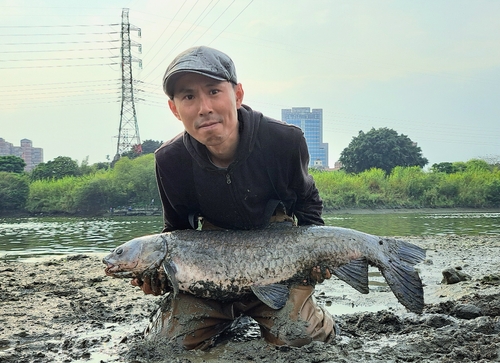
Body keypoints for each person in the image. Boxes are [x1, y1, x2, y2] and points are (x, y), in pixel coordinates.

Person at [132, 45, 336, 350]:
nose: (204, 108)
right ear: (175, 109)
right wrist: (160, 276)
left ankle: (312, 315)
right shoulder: (169, 160)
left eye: (214, 91)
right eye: (188, 96)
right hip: (211, 263)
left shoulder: (284, 141)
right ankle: (229, 314)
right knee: (166, 347)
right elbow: (175, 233)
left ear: (237, 94)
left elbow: (308, 207)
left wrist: (316, 258)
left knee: (298, 338)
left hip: (277, 258)